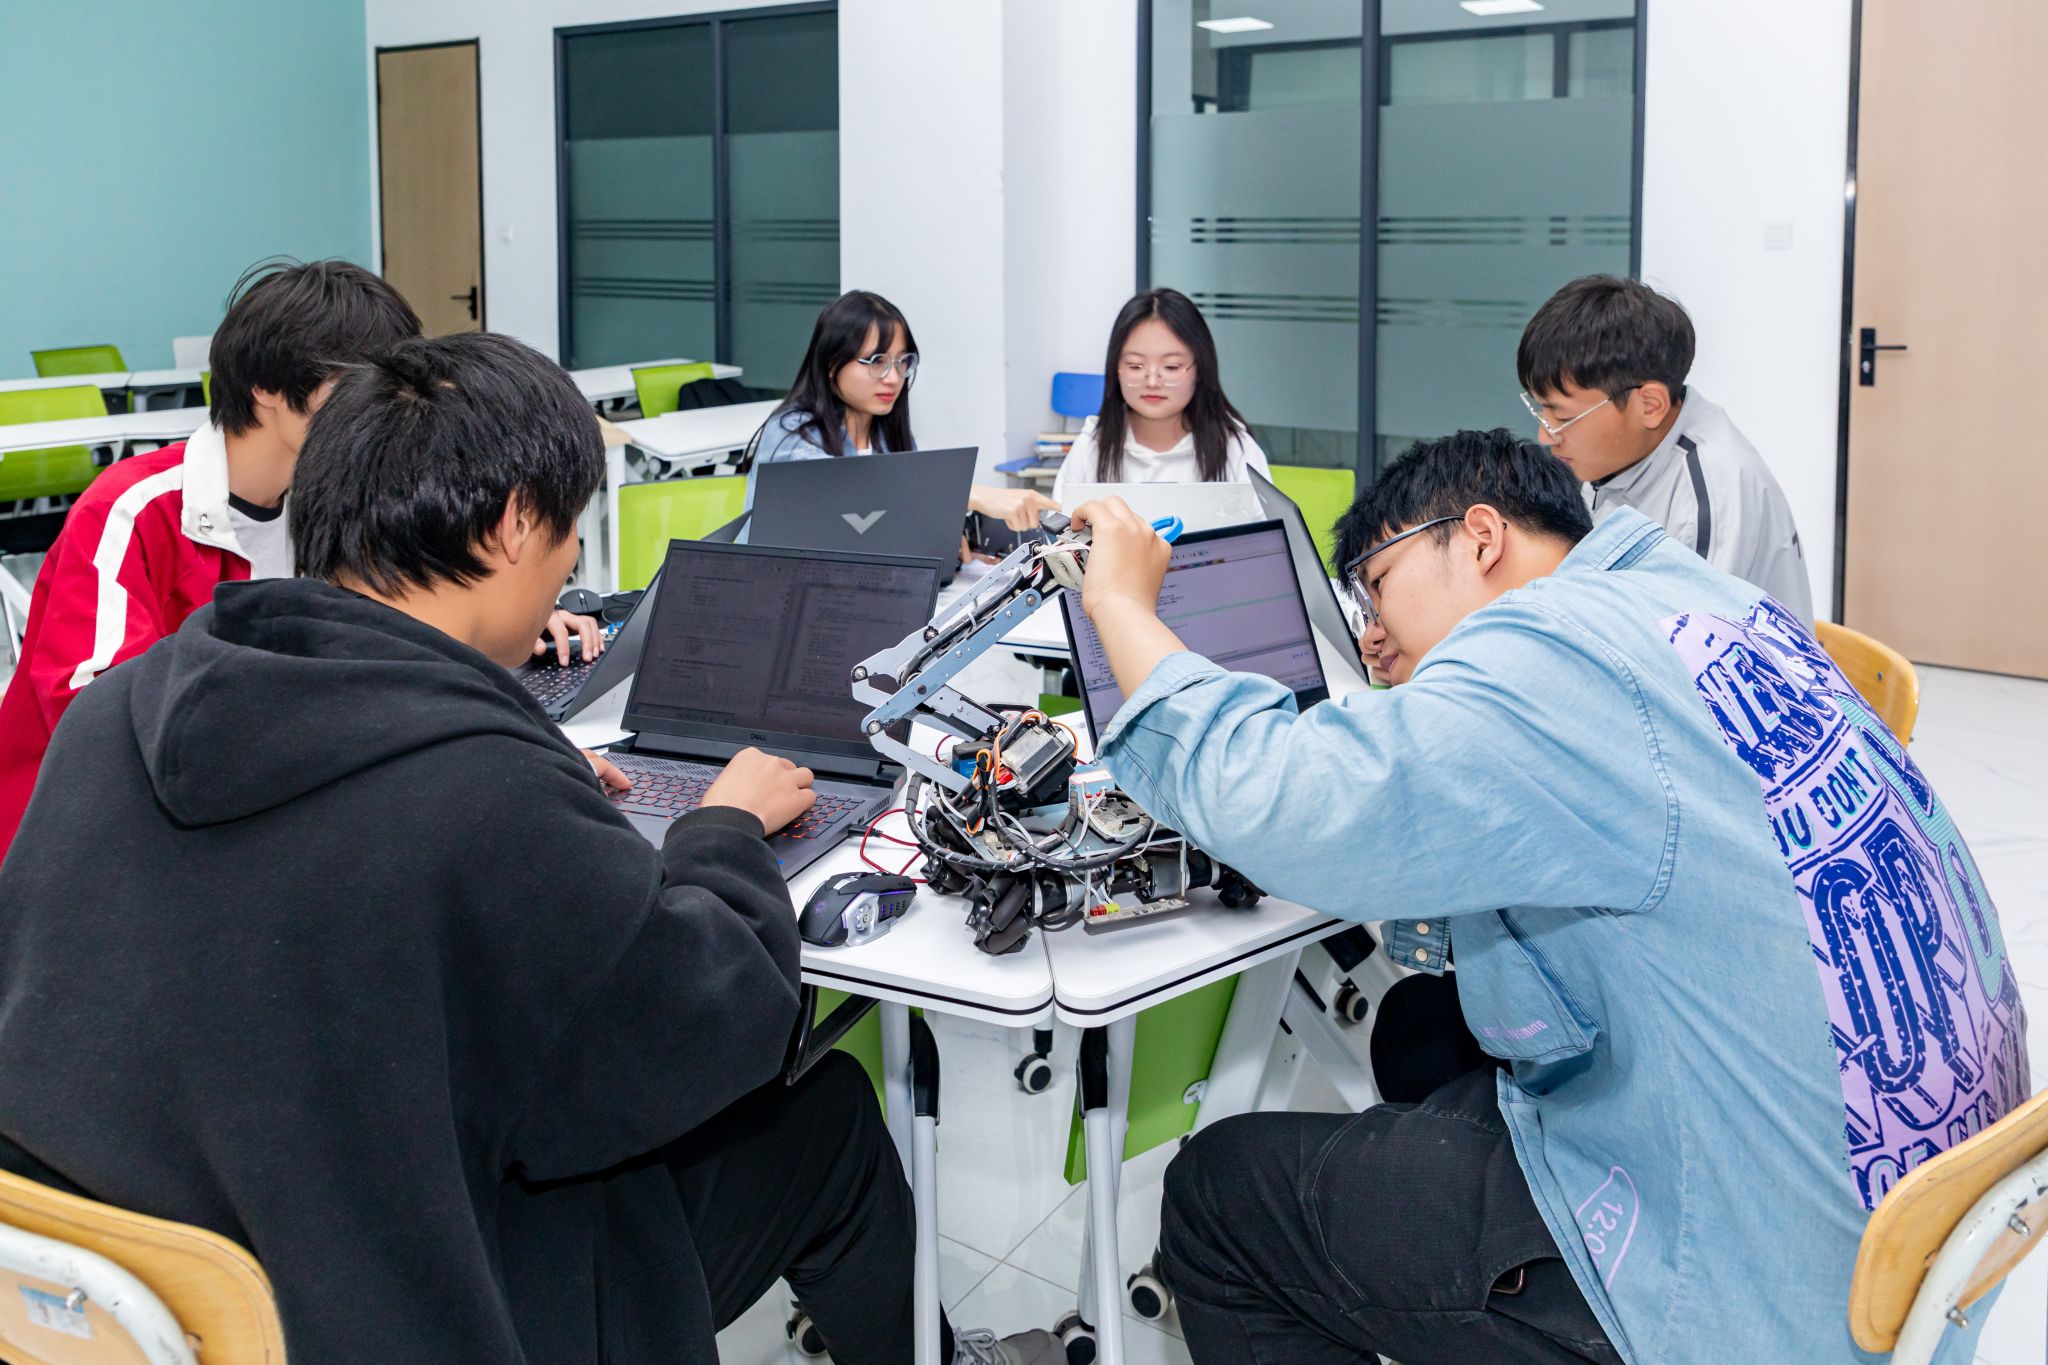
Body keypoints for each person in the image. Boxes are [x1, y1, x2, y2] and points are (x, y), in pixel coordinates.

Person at [0, 333, 1059, 1365]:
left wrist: (531, 774)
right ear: (514, 524)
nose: (569, 570)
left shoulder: (116, 714)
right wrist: (723, 829)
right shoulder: (478, 790)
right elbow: (703, 1033)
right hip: (409, 1307)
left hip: (125, 1292)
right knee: (820, 1123)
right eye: (569, 535)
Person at [1068, 430, 2027, 1365]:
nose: (1372, 630)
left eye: (1379, 585)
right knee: (1417, 1031)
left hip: (1752, 1286)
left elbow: (1280, 800)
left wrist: (1117, 601)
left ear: (1481, 537)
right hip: (1909, 1230)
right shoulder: (1696, 599)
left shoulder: (1548, 654)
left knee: (1220, 1195)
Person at [0, 258, 598, 864]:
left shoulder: (343, 502)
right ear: (267, 389)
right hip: (80, 840)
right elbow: (100, 717)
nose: (381, 405)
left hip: (250, 810)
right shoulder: (132, 509)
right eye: (359, 383)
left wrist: (506, 607)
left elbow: (386, 635)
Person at [1517, 273, 1814, 619]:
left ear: (1650, 405)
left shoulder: (1712, 491)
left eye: (1562, 415)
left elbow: (1688, 642)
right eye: (1542, 410)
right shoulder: (1619, 457)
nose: (1546, 435)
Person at [745, 289, 1059, 553]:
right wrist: (968, 494)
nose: (894, 377)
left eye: (901, 362)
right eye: (877, 361)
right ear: (831, 365)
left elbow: (894, 523)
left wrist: (945, 540)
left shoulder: (885, 435)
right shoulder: (790, 433)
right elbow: (845, 497)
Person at [1048, 288, 1271, 506]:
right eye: (1135, 366)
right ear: (1116, 368)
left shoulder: (1234, 448)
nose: (1153, 382)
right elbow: (1059, 527)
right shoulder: (1091, 448)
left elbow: (1267, 528)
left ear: (1200, 369)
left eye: (1171, 367)